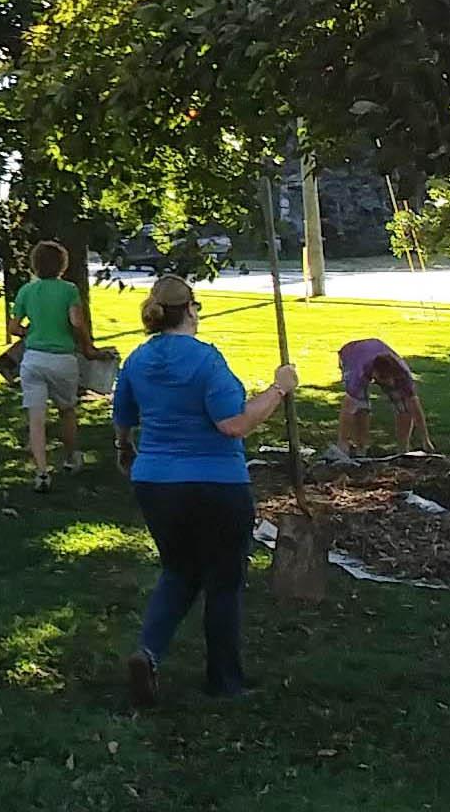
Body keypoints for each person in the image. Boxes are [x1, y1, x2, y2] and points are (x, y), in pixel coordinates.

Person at [114, 274, 295, 705]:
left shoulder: (137, 361)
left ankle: (148, 653)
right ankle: (225, 681)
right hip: (215, 483)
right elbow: (233, 423)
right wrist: (279, 389)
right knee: (224, 580)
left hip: (155, 482)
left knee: (178, 571)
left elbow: (123, 416)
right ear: (192, 309)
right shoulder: (206, 361)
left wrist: (125, 450)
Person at [6, 242, 100, 491]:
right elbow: (76, 322)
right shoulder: (69, 290)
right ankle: (71, 457)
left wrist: (30, 332)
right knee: (67, 410)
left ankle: (41, 472)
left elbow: (14, 328)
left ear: (34, 265)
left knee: (36, 419)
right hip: (62, 359)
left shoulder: (27, 291)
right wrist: (88, 346)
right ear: (63, 265)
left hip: (33, 359)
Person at [330, 338, 428, 463]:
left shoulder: (403, 373)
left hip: (375, 349)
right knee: (360, 407)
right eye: (383, 378)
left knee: (403, 406)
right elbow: (348, 410)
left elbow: (413, 405)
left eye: (389, 379)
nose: (387, 383)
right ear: (375, 373)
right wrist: (342, 442)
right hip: (352, 353)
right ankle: (361, 449)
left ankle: (403, 449)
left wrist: (425, 439)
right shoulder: (358, 374)